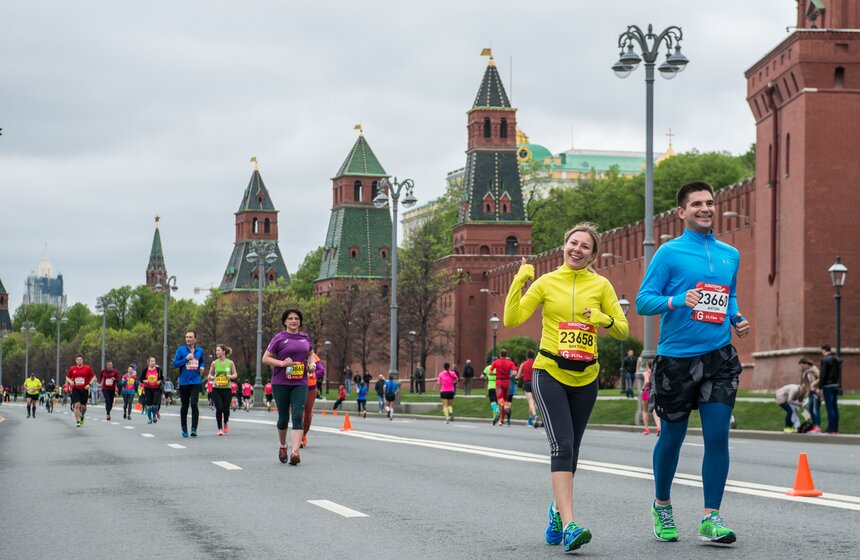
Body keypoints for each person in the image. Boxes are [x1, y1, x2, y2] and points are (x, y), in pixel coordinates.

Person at [637, 181, 750, 545]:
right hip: (676, 359)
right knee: (672, 438)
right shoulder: (669, 254)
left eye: (710, 202)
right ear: (681, 212)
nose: (706, 208)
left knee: (718, 436)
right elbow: (643, 301)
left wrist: (736, 317)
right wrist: (677, 300)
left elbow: (728, 296)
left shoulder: (730, 253)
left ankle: (711, 517)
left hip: (718, 356)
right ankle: (662, 505)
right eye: (697, 203)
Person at [505, 222, 629, 553]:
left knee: (572, 449)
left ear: (593, 254)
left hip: (586, 378)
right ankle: (571, 524)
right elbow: (511, 320)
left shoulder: (601, 285)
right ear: (564, 245)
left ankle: (557, 511)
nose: (577, 249)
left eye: (584, 246)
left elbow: (622, 328)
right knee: (561, 445)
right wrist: (520, 281)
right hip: (549, 373)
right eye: (572, 243)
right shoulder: (546, 282)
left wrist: (601, 318)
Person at [263, 308, 315, 465]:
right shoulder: (279, 338)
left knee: (298, 415)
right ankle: (283, 445)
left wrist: (311, 364)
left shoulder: (305, 337)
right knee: (283, 418)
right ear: (285, 322)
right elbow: (265, 358)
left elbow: (311, 353)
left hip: (300, 382)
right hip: (281, 382)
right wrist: (282, 363)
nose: (294, 321)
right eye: (290, 318)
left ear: (300, 321)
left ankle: (295, 452)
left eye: (296, 318)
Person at [173, 331, 206, 438]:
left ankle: (194, 428)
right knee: (185, 406)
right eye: (186, 337)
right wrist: (186, 359)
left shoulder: (200, 351)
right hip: (184, 382)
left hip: (196, 381)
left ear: (195, 339)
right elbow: (175, 364)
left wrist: (202, 367)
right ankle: (184, 428)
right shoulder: (181, 350)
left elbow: (202, 361)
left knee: (194, 404)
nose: (188, 339)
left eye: (190, 337)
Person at [207, 344, 238, 436]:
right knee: (219, 409)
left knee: (226, 410)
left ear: (224, 351)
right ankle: (220, 428)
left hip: (227, 389)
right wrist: (212, 377)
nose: (217, 352)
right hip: (216, 389)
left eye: (219, 350)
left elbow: (235, 374)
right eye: (216, 350)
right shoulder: (214, 363)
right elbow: (209, 375)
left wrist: (230, 376)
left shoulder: (230, 363)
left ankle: (225, 422)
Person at [66, 354, 97, 427]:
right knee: (76, 405)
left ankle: (82, 415)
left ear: (82, 360)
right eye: (78, 360)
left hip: (84, 389)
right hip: (75, 389)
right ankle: (78, 421)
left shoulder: (87, 368)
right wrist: (71, 382)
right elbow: (67, 377)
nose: (79, 361)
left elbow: (94, 377)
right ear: (76, 361)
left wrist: (89, 384)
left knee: (83, 407)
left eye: (80, 360)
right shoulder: (72, 369)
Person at [301, 352, 325, 447]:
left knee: (308, 415)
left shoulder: (313, 356)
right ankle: (299, 438)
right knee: (299, 414)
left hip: (310, 387)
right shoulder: (293, 353)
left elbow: (321, 371)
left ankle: (303, 435)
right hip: (296, 387)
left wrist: (311, 374)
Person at [490, 350, 517, 427]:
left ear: (500, 354)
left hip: (499, 382)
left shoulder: (496, 362)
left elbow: (490, 372)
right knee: (505, 400)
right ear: (506, 354)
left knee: (500, 400)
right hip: (507, 382)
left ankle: (505, 406)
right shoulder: (510, 363)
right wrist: (509, 375)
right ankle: (501, 420)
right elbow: (515, 373)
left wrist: (496, 373)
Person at [819, 344, 841, 435]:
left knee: (830, 408)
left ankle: (831, 429)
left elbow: (823, 375)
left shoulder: (825, 360)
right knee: (835, 408)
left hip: (827, 386)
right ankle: (835, 429)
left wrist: (820, 387)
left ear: (824, 350)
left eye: (821, 351)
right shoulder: (837, 359)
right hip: (835, 385)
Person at [798, 358, 821, 433]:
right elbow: (804, 382)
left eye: (802, 366)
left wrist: (814, 384)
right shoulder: (806, 372)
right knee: (811, 409)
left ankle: (817, 426)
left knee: (815, 409)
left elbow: (821, 378)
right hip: (810, 392)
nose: (801, 367)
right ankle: (813, 426)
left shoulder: (814, 369)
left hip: (816, 391)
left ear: (806, 364)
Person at [517, 350, 539, 426]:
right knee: (532, 402)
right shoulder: (536, 363)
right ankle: (530, 420)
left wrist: (523, 374)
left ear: (527, 356)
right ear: (534, 356)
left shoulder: (523, 364)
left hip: (527, 383)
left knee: (530, 402)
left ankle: (535, 415)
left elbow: (518, 376)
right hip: (535, 383)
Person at [641, 361, 661, 436]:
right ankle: (658, 427)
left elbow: (647, 381)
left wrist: (642, 388)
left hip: (646, 391)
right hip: (654, 391)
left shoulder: (646, 373)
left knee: (645, 410)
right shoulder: (656, 372)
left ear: (647, 365)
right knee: (654, 410)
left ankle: (646, 429)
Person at [142, 357, 163, 424]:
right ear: (149, 362)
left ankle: (154, 416)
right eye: (151, 361)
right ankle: (149, 418)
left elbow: (161, 378)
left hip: (156, 388)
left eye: (154, 361)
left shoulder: (158, 369)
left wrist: (159, 381)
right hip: (148, 388)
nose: (153, 362)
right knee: (149, 404)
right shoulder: (145, 370)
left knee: (155, 403)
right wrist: (146, 381)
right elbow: (141, 379)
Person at [480, 358, 500, 425]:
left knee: (492, 402)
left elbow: (482, 376)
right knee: (497, 402)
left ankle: (497, 411)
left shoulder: (488, 367)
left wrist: (487, 377)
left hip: (491, 386)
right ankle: (495, 419)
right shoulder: (499, 367)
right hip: (498, 386)